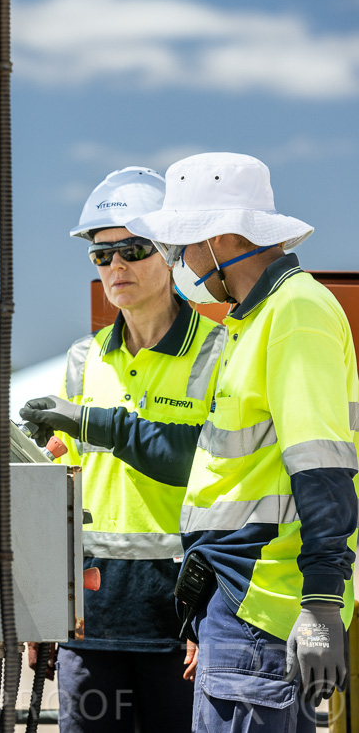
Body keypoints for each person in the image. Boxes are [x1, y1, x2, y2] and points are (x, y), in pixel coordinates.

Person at [21, 153, 359, 733]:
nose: (180, 259)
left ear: (219, 237)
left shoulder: (286, 315)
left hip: (255, 605)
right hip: (208, 605)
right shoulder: (250, 323)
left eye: (172, 244)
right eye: (102, 254)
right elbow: (212, 464)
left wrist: (322, 602)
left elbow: (321, 469)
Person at [25, 167, 224, 732]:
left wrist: (213, 619)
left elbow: (229, 484)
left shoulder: (219, 353)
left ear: (172, 253)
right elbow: (59, 487)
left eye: (132, 250)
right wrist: (42, 607)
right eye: (101, 255)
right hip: (91, 621)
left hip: (182, 619)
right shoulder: (83, 360)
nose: (116, 266)